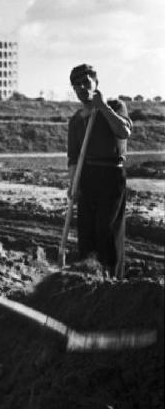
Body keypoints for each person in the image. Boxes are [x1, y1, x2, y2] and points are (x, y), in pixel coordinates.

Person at [67, 63, 132, 280]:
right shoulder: (76, 120)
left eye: (85, 82)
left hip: (111, 175)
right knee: (86, 232)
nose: (82, 88)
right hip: (87, 177)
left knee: (107, 230)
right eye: (77, 85)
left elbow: (123, 132)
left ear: (96, 82)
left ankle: (112, 281)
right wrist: (72, 184)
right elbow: (73, 157)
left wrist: (103, 107)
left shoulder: (115, 105)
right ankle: (89, 278)